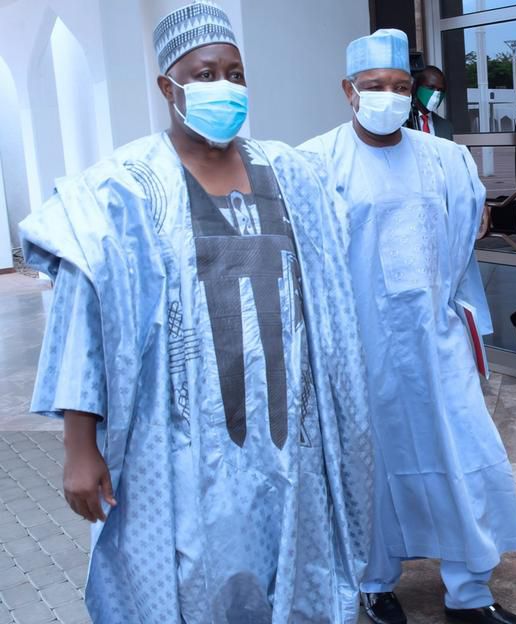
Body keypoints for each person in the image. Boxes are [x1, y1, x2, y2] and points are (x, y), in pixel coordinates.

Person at [19, 2, 373, 621]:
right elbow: (83, 320)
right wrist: (80, 445)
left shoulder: (294, 175)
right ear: (168, 86)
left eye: (235, 73)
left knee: (296, 577)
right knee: (192, 583)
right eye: (205, 74)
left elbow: (333, 303)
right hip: (179, 449)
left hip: (292, 442)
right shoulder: (122, 189)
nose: (225, 88)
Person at [300, 30, 516, 624]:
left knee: (463, 453)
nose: (390, 97)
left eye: (401, 87)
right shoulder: (315, 163)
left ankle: (470, 593)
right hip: (361, 350)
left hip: (436, 338)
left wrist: (455, 317)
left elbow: (464, 241)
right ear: (348, 92)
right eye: (375, 87)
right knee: (367, 464)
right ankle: (374, 584)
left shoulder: (446, 159)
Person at [407, 65, 454, 140]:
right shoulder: (402, 121)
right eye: (431, 88)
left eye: (440, 90)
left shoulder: (446, 127)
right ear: (415, 87)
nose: (436, 93)